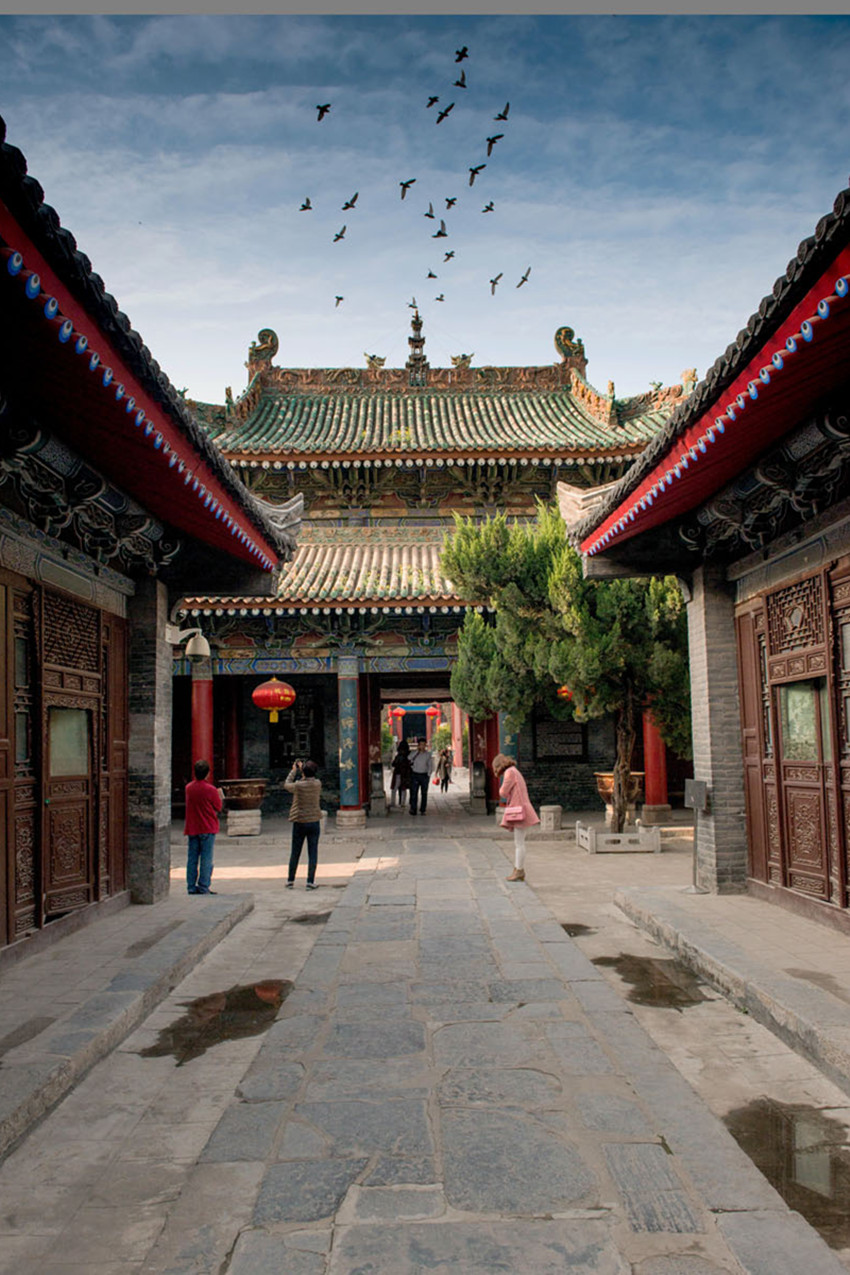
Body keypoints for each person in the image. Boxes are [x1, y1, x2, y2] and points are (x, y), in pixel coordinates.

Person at [493, 753, 539, 882]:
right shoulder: (514, 771)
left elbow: (502, 792)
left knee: (519, 843)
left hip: (520, 810)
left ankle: (519, 870)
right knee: (519, 842)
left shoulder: (509, 773)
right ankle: (518, 868)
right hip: (522, 808)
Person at [184, 759, 224, 895]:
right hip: (207, 827)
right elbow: (218, 807)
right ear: (207, 773)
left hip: (192, 827)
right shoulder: (211, 790)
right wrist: (220, 796)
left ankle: (191, 886)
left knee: (192, 858)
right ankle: (204, 886)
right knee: (206, 858)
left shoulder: (188, 788)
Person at [284, 759, 322, 889]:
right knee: (313, 852)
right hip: (314, 822)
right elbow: (309, 778)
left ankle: (290, 880)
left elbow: (287, 784)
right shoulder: (317, 784)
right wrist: (304, 770)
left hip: (299, 821)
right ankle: (310, 881)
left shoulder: (298, 785)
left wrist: (294, 771)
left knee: (295, 851)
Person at [409, 737, 435, 815]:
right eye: (421, 745)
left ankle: (423, 809)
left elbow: (430, 765)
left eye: (424, 745)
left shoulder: (428, 755)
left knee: (424, 793)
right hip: (415, 774)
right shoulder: (415, 753)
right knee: (414, 793)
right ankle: (413, 809)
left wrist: (428, 774)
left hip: (424, 775)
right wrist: (417, 752)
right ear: (418, 745)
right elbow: (409, 758)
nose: (422, 747)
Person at [390, 739, 412, 807]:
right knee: (403, 788)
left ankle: (393, 802)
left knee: (394, 788)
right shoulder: (408, 756)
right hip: (405, 774)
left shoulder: (398, 756)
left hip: (397, 773)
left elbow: (393, 764)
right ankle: (402, 803)